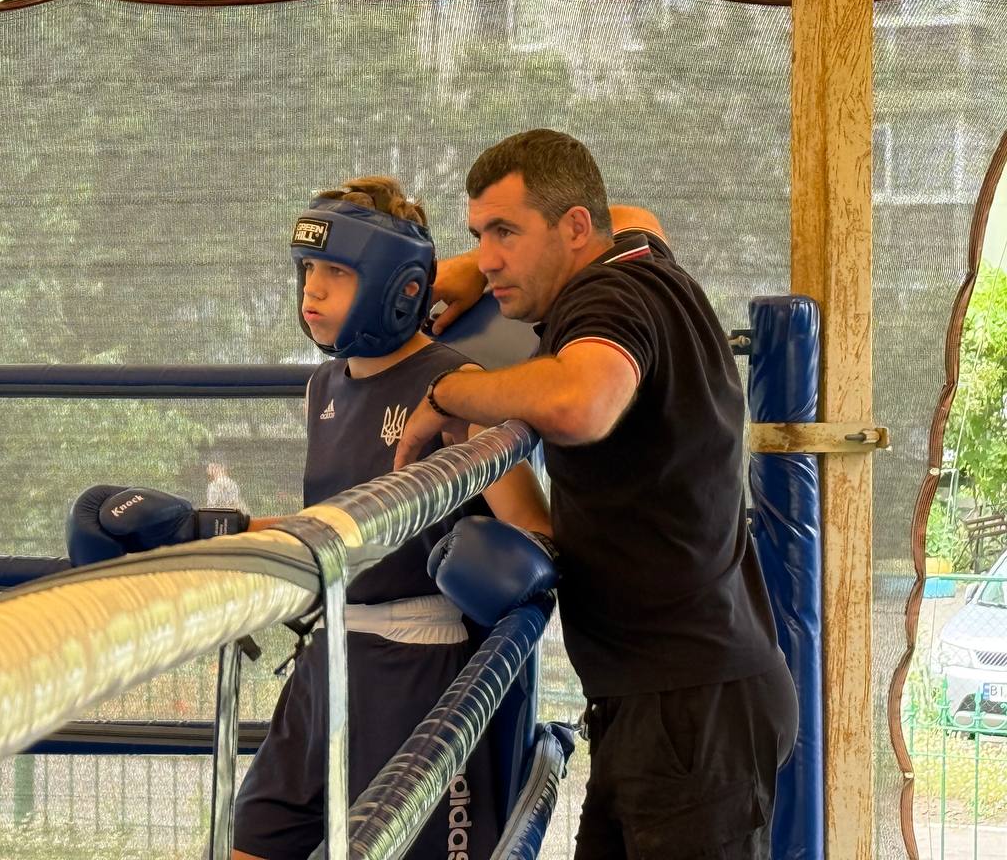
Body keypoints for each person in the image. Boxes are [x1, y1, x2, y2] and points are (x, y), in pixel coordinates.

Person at [65, 176, 552, 860]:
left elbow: (536, 535)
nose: (312, 291)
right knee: (251, 842)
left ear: (400, 287)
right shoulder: (324, 386)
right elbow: (332, 523)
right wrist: (205, 532)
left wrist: (501, 564)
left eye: (338, 273)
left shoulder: (456, 386)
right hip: (327, 653)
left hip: (419, 668)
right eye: (308, 270)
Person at [394, 130, 797, 860]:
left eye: (505, 232)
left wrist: (453, 392)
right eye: (479, 235)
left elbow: (581, 401)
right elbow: (635, 214)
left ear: (576, 228)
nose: (489, 257)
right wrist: (473, 267)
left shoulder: (606, 296)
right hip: (673, 699)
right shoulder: (639, 256)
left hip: (688, 716)